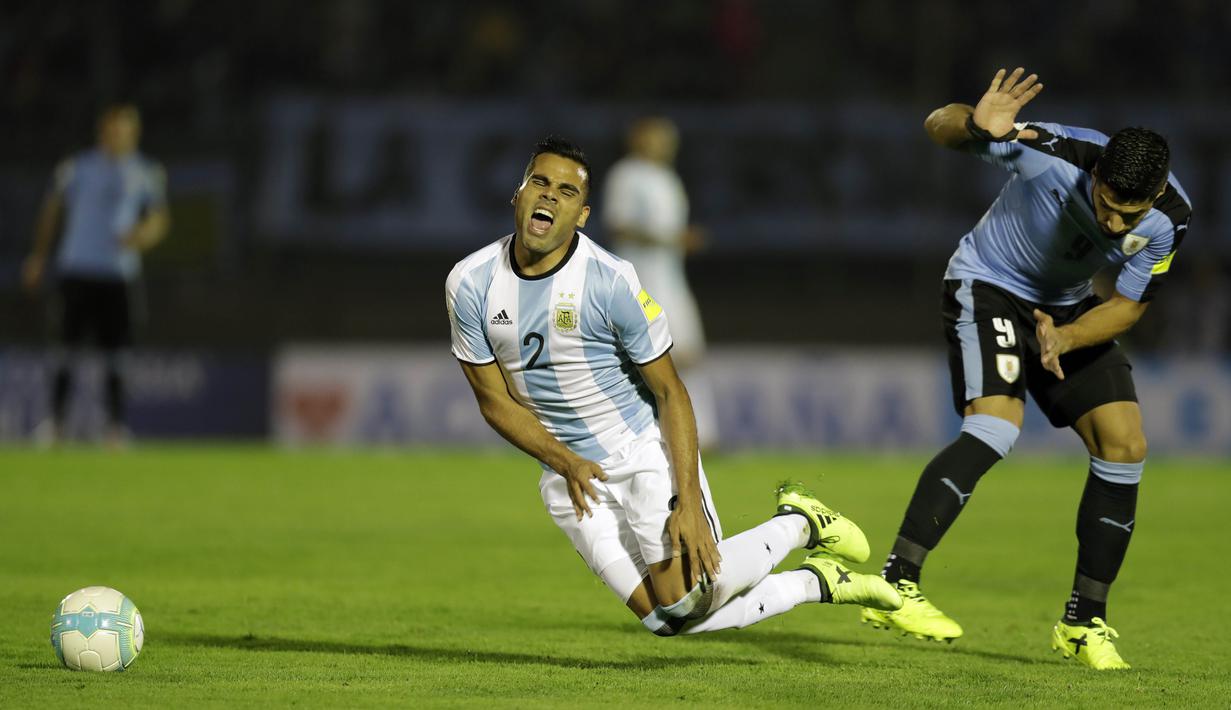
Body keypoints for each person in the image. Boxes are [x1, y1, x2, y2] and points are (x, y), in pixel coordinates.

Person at [447, 136, 900, 637]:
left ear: (582, 215)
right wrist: (564, 461)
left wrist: (688, 501)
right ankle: (818, 581)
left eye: (566, 191)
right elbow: (493, 401)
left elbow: (670, 391)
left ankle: (797, 523)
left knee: (688, 597)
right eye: (540, 182)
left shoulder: (611, 282)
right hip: (569, 472)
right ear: (518, 194)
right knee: (669, 621)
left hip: (640, 451)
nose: (550, 195)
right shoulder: (470, 283)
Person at [861, 68, 1191, 670]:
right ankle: (894, 581)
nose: (1116, 226)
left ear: (1158, 191)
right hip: (987, 285)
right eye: (1109, 207)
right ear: (1095, 177)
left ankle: (1083, 622)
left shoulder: (1170, 217)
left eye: (1131, 214)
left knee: (1125, 444)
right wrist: (971, 123)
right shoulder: (1052, 153)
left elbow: (1125, 305)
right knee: (996, 426)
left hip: (1064, 309)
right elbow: (937, 126)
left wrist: (1064, 336)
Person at [22, 104, 170, 445]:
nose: (117, 135)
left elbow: (159, 220)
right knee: (64, 349)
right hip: (77, 269)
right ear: (103, 131)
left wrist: (142, 235)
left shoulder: (147, 171)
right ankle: (56, 425)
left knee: (117, 354)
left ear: (134, 132)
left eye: (124, 129)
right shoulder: (77, 168)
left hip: (119, 274)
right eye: (112, 129)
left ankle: (114, 428)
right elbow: (51, 211)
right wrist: (38, 256)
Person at [603, 117, 717, 449]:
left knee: (689, 354)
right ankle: (650, 435)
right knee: (655, 356)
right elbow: (619, 226)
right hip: (642, 279)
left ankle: (698, 435)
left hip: (671, 278)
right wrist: (671, 240)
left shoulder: (667, 178)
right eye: (658, 137)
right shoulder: (627, 175)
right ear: (638, 138)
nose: (666, 143)